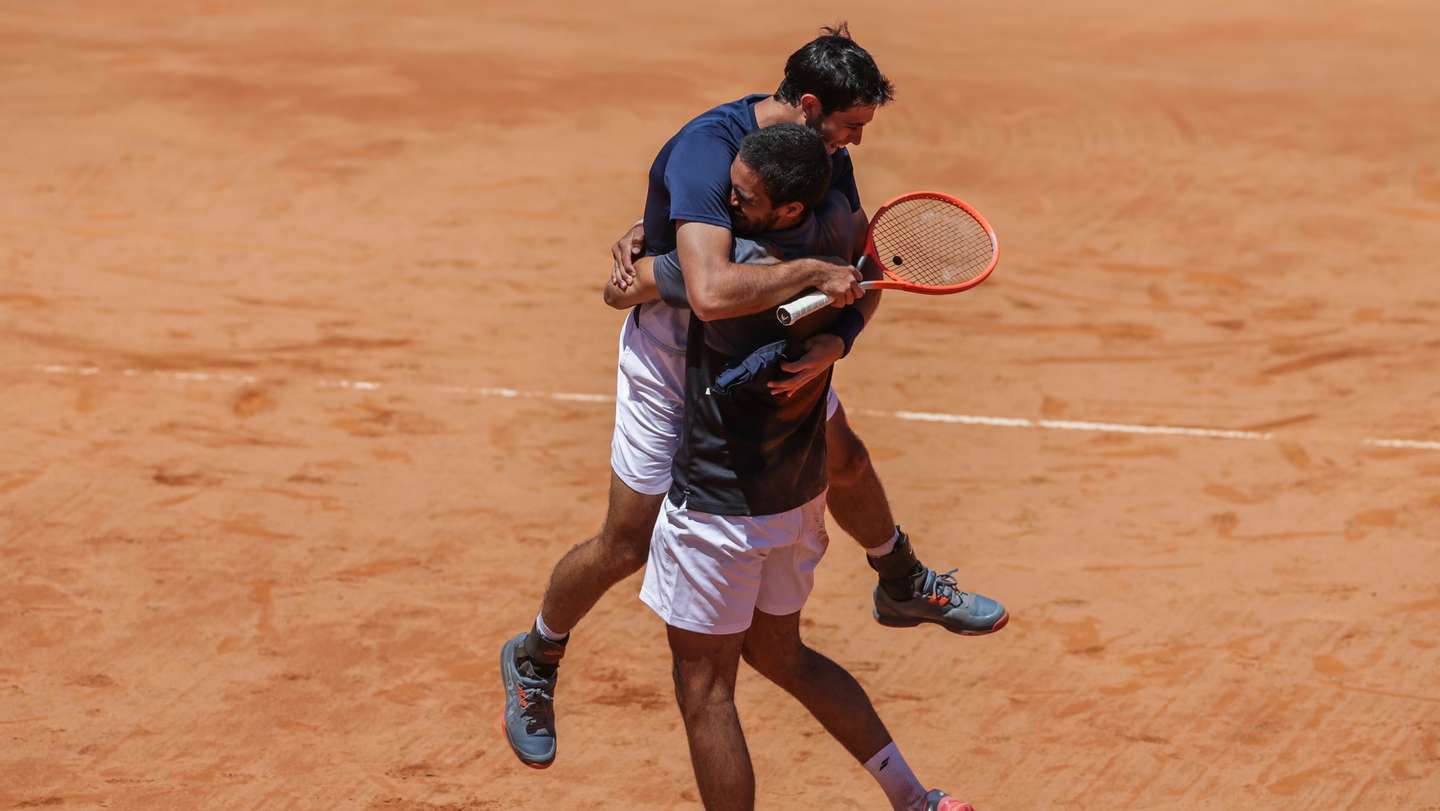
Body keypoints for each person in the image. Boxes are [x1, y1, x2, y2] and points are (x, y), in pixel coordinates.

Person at [499, 25, 1005, 771]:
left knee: (848, 458)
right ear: (808, 105)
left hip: (759, 347)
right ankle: (536, 653)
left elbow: (859, 263)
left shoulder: (819, 161)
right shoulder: (709, 150)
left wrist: (840, 340)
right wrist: (796, 276)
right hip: (676, 355)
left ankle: (899, 578)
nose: (856, 145)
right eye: (851, 126)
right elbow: (703, 291)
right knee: (627, 539)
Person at [643, 124, 975, 810]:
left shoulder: (733, 266)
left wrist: (636, 250)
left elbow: (640, 286)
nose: (726, 205)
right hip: (797, 501)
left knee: (706, 690)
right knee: (781, 653)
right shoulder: (832, 239)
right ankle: (916, 800)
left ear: (787, 208)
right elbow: (866, 264)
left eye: (742, 196)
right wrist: (840, 327)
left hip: (717, 508)